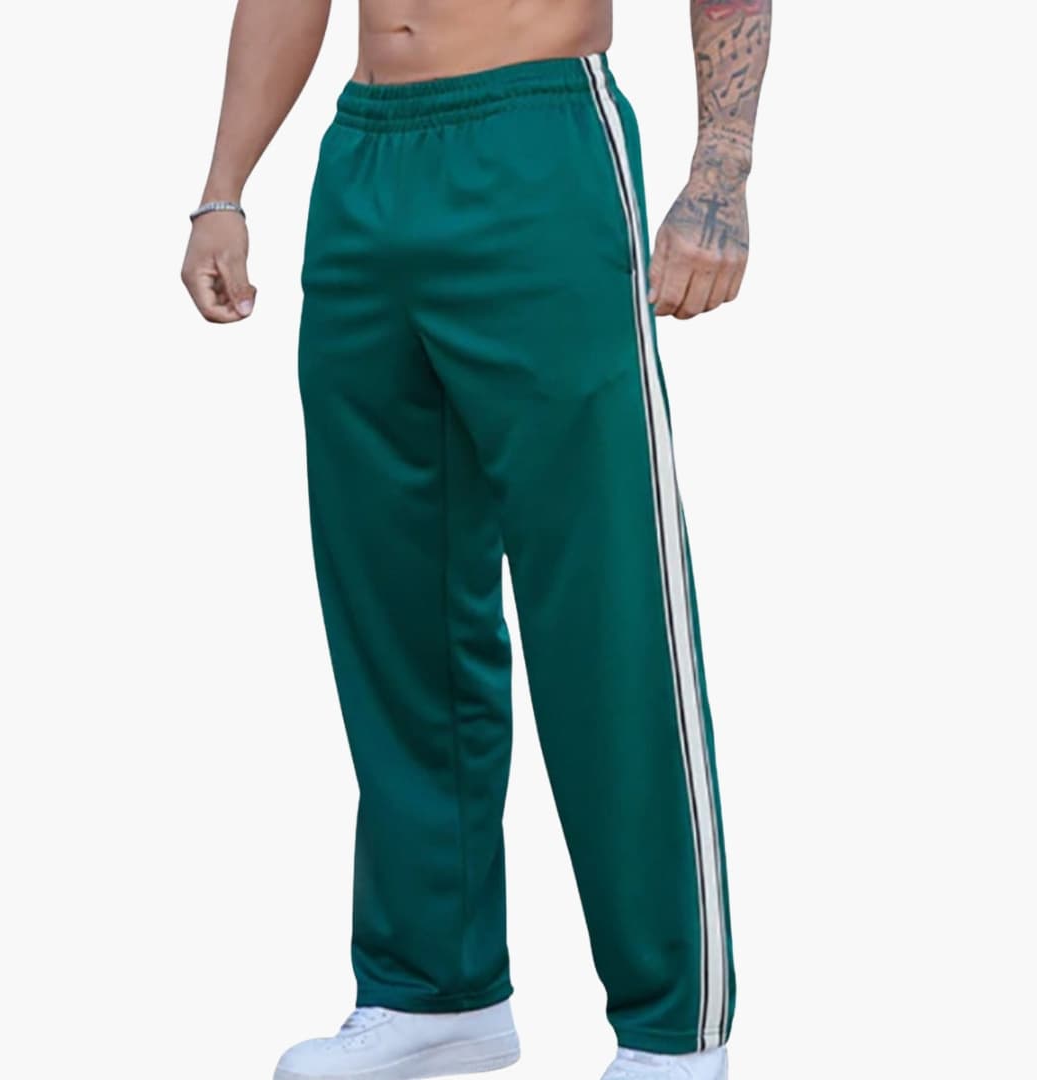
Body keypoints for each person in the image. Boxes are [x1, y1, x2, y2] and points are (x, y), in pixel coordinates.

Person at [181, 2, 770, 1078]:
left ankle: (672, 1031)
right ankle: (432, 990)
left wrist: (718, 174)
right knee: (393, 602)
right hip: (366, 160)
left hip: (536, 139)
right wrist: (224, 188)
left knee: (603, 600)